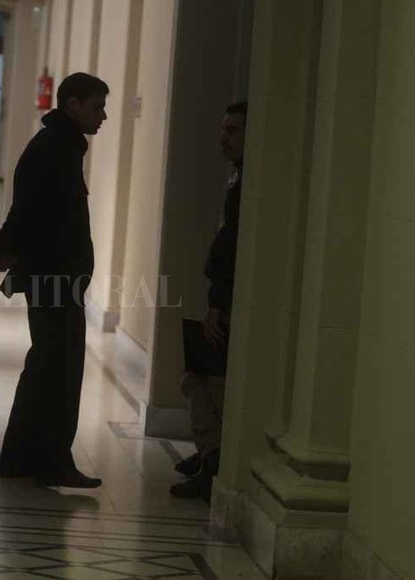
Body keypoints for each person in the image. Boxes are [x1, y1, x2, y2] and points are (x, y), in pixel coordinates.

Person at [0, 72, 109, 488]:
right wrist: (9, 250)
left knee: (44, 364)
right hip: (55, 277)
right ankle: (51, 458)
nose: (104, 116)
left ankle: (20, 457)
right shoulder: (56, 149)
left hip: (55, 275)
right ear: (72, 105)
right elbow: (31, 208)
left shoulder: (59, 146)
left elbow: (28, 205)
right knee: (60, 366)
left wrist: (7, 251)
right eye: (97, 106)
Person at [170, 101, 246, 499]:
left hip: (231, 302)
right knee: (201, 377)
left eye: (233, 130)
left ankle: (212, 457)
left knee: (203, 381)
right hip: (223, 297)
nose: (223, 136)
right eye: (223, 128)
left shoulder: (250, 184)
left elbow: (231, 250)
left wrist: (219, 303)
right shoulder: (238, 178)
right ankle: (207, 453)